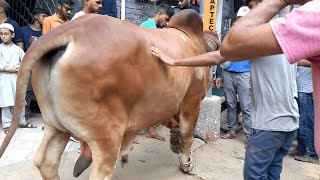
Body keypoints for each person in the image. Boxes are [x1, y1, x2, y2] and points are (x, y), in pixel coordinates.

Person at [140, 4, 175, 141]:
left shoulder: (156, 29)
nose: (166, 23)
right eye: (166, 19)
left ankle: (150, 130)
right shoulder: (147, 27)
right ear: (159, 14)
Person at [220, 6, 251, 140]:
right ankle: (232, 130)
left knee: (246, 106)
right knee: (231, 104)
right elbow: (220, 53)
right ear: (236, 19)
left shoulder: (254, 34)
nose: (242, 20)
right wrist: (218, 74)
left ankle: (249, 136)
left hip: (245, 73)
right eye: (240, 18)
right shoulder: (228, 33)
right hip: (228, 72)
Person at [0, 23, 36, 134]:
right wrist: (6, 68)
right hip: (4, 78)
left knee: (19, 100)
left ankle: (21, 121)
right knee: (6, 102)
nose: (3, 36)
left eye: (6, 34)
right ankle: (7, 125)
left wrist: (17, 68)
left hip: (16, 77)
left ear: (13, 35)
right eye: (1, 34)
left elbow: (26, 62)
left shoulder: (18, 49)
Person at [288, 60, 319, 164]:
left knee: (306, 124)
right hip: (299, 88)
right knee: (300, 124)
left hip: (307, 90)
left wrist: (299, 62)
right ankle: (301, 149)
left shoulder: (314, 47)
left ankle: (312, 154)